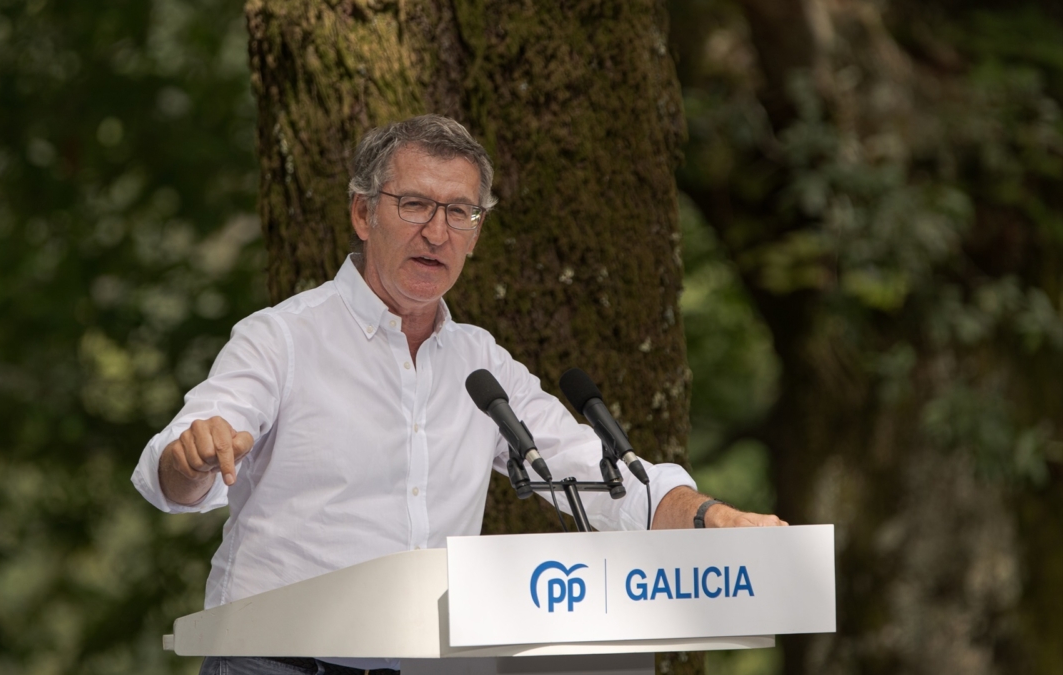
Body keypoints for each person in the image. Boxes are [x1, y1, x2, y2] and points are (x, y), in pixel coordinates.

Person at [132, 114, 785, 675]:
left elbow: (600, 475)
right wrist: (192, 457)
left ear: (477, 229)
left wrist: (710, 518)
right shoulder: (282, 338)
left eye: (460, 212)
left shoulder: (480, 361)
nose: (437, 232)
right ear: (363, 212)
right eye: (414, 204)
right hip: (278, 658)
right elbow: (176, 472)